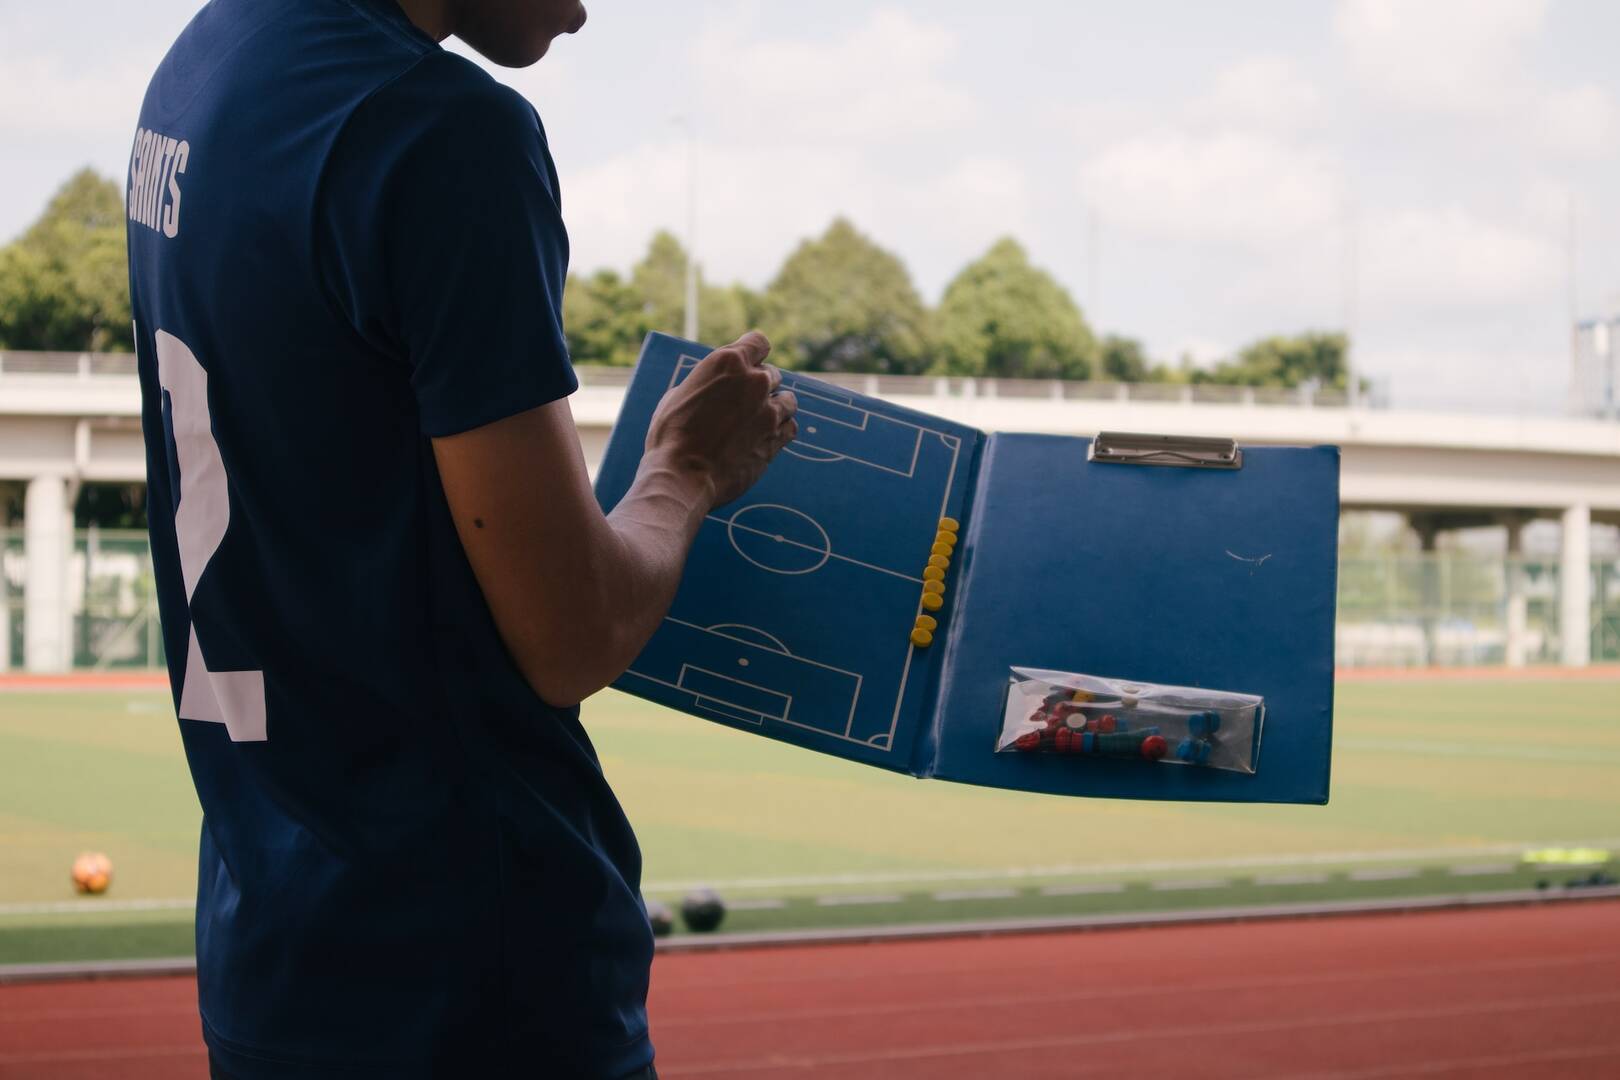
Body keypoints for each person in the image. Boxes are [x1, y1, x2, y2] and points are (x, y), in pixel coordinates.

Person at [125, 0, 797, 1076]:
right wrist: (687, 469)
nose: (587, 11)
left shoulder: (205, 62)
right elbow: (571, 637)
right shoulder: (441, 131)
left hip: (273, 958)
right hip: (468, 979)